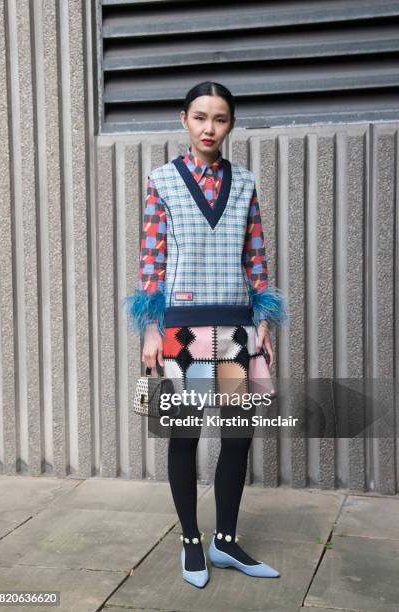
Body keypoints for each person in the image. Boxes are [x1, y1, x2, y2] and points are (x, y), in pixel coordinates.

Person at [124, 81, 288, 588]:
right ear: (183, 120)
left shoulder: (245, 183)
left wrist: (263, 319)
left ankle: (226, 541)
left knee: (238, 436)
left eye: (219, 119)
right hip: (181, 330)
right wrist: (151, 327)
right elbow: (152, 259)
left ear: (231, 124)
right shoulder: (162, 182)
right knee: (185, 435)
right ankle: (192, 540)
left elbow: (255, 255)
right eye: (199, 117)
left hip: (237, 327)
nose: (208, 128)